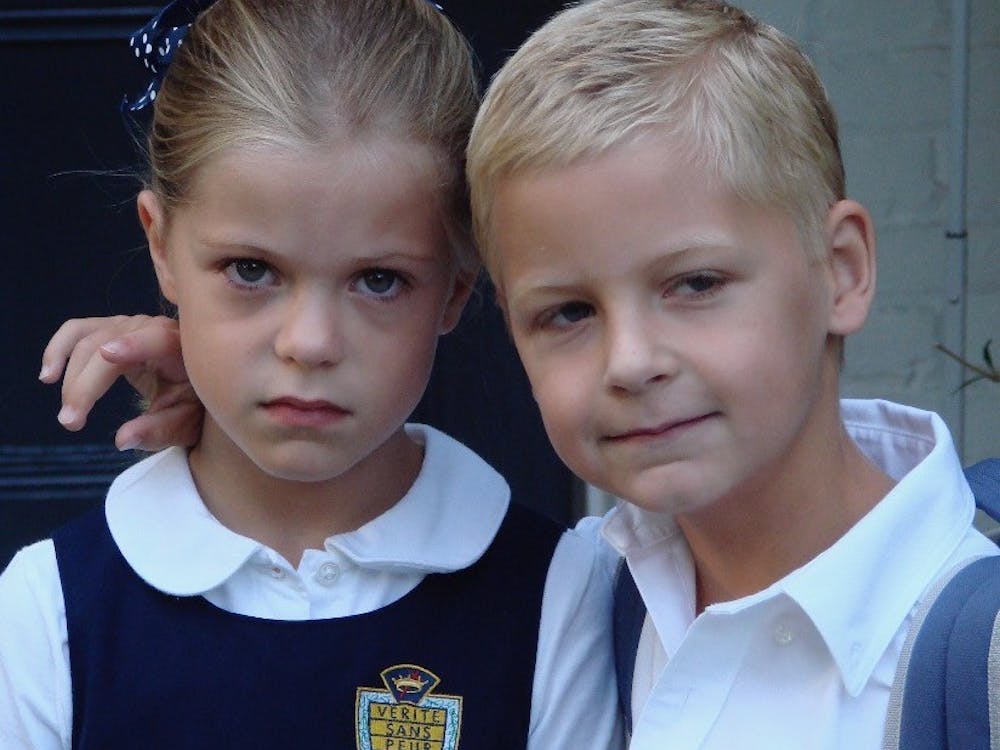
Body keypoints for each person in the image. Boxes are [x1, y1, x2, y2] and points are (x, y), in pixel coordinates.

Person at [31, 0, 997, 747]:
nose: (632, 362)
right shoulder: (624, 592)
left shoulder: (572, 594)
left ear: (842, 271)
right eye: (568, 312)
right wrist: (225, 394)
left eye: (696, 284)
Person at [0, 1, 623, 748]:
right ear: (161, 245)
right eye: (250, 270)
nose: (310, 343)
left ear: (458, 285)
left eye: (379, 280)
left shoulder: (563, 594)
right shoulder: (48, 612)